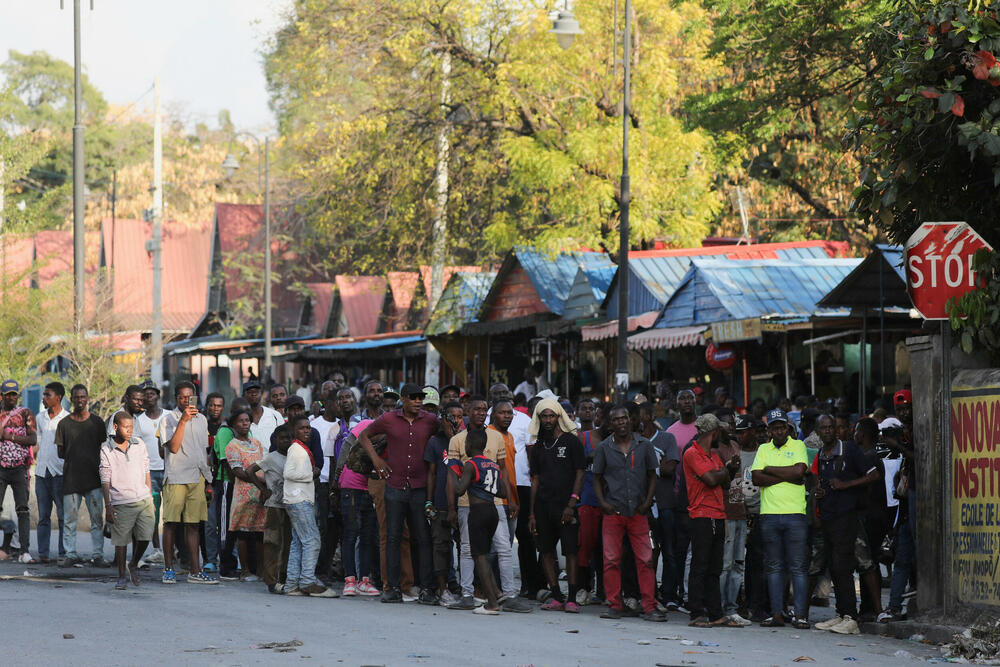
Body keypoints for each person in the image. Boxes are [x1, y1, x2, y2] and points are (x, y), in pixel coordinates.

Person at [358, 383, 439, 604]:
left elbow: (445, 436)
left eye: (420, 397)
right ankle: (392, 589)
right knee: (392, 538)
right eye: (413, 397)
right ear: (403, 399)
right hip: (394, 485)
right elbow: (363, 436)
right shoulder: (389, 419)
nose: (418, 401)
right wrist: (376, 460)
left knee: (422, 538)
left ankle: (427, 590)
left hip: (420, 487)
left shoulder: (430, 420)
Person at [447, 395, 527, 612]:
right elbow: (451, 475)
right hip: (466, 505)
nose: (481, 413)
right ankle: (467, 594)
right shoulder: (457, 439)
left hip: (494, 502)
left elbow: (503, 469)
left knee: (503, 548)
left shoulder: (496, 437)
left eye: (484, 409)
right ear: (468, 411)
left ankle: (509, 595)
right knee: (466, 549)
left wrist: (510, 499)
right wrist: (452, 507)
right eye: (477, 409)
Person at [593, 405, 666, 622]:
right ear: (610, 424)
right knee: (611, 560)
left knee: (645, 560)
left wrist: (646, 502)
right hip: (613, 512)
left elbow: (653, 475)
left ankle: (649, 606)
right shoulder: (604, 448)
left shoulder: (643, 445)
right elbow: (596, 477)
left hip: (638, 512)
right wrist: (603, 503)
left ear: (630, 421)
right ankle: (615, 605)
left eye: (624, 418)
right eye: (616, 419)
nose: (621, 422)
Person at [810, 415, 879, 635]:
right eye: (824, 428)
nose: (829, 431)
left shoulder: (849, 450)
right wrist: (820, 495)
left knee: (843, 566)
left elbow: (874, 475)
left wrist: (846, 484)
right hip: (829, 517)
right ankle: (841, 613)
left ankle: (851, 617)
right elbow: (821, 484)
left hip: (846, 516)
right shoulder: (821, 454)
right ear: (818, 432)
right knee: (834, 567)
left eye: (832, 427)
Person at [751, 409, 809, 628]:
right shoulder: (763, 448)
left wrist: (770, 470)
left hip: (795, 514)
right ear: (769, 430)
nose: (778, 431)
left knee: (798, 567)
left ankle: (800, 615)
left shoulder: (798, 445)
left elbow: (799, 473)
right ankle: (777, 614)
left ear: (789, 428)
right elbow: (756, 478)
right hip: (769, 515)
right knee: (774, 567)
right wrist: (789, 475)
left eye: (782, 427)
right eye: (774, 427)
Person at [683, 413, 742, 628]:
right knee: (700, 566)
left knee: (714, 568)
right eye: (721, 431)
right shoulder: (692, 453)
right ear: (714, 432)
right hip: (701, 516)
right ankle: (697, 613)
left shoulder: (713, 457)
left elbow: (724, 483)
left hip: (717, 515)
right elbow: (711, 479)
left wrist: (728, 469)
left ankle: (716, 613)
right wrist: (725, 470)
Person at [528, 398, 585, 612]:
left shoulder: (571, 441)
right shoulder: (538, 446)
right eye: (544, 416)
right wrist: (532, 513)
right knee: (546, 552)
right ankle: (556, 595)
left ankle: (571, 597)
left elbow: (580, 473)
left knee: (570, 551)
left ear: (559, 417)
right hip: (543, 506)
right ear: (539, 419)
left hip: (566, 506)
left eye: (552, 415)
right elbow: (535, 480)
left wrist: (572, 503)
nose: (548, 420)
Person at [487, 382, 542, 599]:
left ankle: (529, 586)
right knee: (498, 538)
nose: (502, 396)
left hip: (523, 484)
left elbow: (531, 450)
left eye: (505, 393)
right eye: (497, 394)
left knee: (525, 537)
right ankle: (495, 586)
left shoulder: (523, 419)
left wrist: (533, 477)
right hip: (495, 486)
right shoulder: (484, 418)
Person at [160, 381, 217, 585]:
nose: (186, 401)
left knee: (193, 525)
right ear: (176, 398)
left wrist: (207, 481)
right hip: (176, 476)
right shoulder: (168, 419)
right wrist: (182, 421)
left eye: (189, 397)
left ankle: (195, 570)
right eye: (182, 397)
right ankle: (168, 569)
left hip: (197, 477)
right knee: (171, 524)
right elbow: (173, 448)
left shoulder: (201, 419)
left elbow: (204, 452)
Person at [450, 429, 507, 615]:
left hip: (478, 512)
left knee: (479, 556)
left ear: (469, 445)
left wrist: (451, 470)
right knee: (484, 554)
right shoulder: (493, 465)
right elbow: (503, 492)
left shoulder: (470, 464)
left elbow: (459, 490)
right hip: (493, 511)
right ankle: (496, 594)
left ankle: (491, 603)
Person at [283, 415, 337, 597]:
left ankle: (291, 584)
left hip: (297, 499)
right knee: (312, 540)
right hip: (299, 500)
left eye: (308, 427)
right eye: (302, 428)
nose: (307, 431)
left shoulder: (301, 449)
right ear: (294, 431)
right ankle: (307, 581)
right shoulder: (296, 449)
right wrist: (310, 474)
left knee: (298, 542)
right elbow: (288, 473)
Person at [100, 411, 154, 590]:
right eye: (126, 427)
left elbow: (147, 471)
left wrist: (150, 497)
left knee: (146, 536)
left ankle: (134, 563)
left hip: (143, 498)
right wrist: (108, 506)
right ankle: (122, 575)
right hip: (120, 501)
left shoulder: (139, 445)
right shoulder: (106, 448)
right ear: (115, 427)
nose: (130, 431)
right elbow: (105, 479)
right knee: (121, 541)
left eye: (131, 427)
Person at [56, 384, 107, 568]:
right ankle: (70, 553)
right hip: (71, 480)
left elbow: (104, 449)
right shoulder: (64, 424)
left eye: (83, 397)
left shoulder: (97, 423)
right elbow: (61, 452)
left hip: (94, 479)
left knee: (97, 520)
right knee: (70, 520)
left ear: (87, 398)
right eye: (76, 397)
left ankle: (98, 555)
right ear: (71, 399)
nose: (80, 400)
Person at [880, 389, 917, 623]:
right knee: (902, 557)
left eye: (907, 408)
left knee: (911, 555)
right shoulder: (905, 433)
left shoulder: (917, 431)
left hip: (917, 500)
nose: (904, 413)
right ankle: (894, 606)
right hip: (905, 504)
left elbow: (919, 457)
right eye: (900, 409)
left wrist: (899, 446)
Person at [640, 401, 681, 610]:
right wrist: (657, 464)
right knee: (648, 552)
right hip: (641, 505)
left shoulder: (667, 438)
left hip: (665, 503)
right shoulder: (633, 441)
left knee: (669, 551)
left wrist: (646, 468)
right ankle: (649, 593)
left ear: (647, 416)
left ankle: (669, 594)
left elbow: (669, 468)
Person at [425, 401, 464, 606]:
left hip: (463, 503)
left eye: (459, 417)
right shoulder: (435, 442)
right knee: (440, 546)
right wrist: (429, 501)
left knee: (464, 547)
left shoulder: (466, 441)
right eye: (451, 417)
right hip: (440, 502)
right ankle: (443, 590)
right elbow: (431, 474)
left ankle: (466, 588)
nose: (455, 421)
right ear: (443, 418)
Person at [715, 411, 751, 626]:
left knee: (738, 564)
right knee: (725, 565)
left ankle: (732, 609)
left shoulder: (735, 446)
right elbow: (718, 480)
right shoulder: (715, 450)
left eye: (732, 424)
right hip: (725, 513)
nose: (731, 428)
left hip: (739, 511)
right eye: (727, 424)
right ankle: (720, 608)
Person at [338, 420, 380, 597]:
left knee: (367, 536)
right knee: (350, 533)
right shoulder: (366, 424)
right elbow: (346, 448)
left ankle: (364, 581)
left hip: (369, 488)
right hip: (351, 486)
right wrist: (336, 477)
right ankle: (350, 581)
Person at [225, 408, 267, 582]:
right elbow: (239, 472)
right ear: (234, 424)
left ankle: (261, 570)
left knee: (259, 533)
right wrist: (261, 481)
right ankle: (245, 571)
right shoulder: (232, 446)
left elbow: (263, 465)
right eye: (241, 421)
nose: (244, 424)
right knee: (242, 533)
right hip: (243, 495)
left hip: (260, 495)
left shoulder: (257, 444)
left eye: (247, 421)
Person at [249, 423, 292, 594]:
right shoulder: (270, 457)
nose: (286, 441)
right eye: (282, 438)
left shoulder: (293, 456)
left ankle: (283, 577)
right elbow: (251, 470)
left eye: (288, 438)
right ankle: (271, 580)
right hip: (274, 505)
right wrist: (262, 489)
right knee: (272, 542)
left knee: (287, 542)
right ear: (275, 440)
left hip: (289, 504)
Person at [665, 389, 698, 608]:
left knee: (695, 552)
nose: (686, 402)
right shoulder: (670, 432)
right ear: (676, 404)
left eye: (690, 399)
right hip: (678, 497)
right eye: (682, 399)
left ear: (696, 403)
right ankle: (675, 592)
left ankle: (692, 593)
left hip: (700, 498)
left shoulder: (703, 428)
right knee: (678, 549)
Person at [733, 414, 766, 622]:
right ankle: (737, 603)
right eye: (737, 432)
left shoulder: (763, 452)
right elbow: (734, 484)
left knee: (757, 562)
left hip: (761, 513)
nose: (740, 436)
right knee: (735, 562)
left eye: (743, 431)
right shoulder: (735, 452)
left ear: (753, 431)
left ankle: (757, 605)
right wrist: (741, 511)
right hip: (739, 514)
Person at [0, 380, 37, 561]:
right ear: (2, 396)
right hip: (1, 467)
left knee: (22, 509)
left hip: (19, 467)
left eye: (14, 394)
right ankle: (5, 547)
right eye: (8, 394)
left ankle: (24, 551)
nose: (12, 397)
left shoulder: (25, 414)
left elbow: (33, 439)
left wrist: (11, 436)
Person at [576, 398, 604, 606]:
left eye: (590, 409)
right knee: (585, 546)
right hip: (586, 498)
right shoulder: (578, 438)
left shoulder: (606, 437)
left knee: (605, 549)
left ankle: (603, 591)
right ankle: (583, 588)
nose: (587, 412)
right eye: (583, 408)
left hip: (606, 499)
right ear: (577, 412)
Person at [35, 382, 68, 563]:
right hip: (42, 472)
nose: (44, 398)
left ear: (58, 397)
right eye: (44, 394)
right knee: (43, 517)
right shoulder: (40, 418)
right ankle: (43, 554)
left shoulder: (67, 419)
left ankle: (63, 553)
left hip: (60, 473)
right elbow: (38, 442)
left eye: (48, 395)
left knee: (63, 516)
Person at [135, 380, 165, 564]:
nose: (149, 397)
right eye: (145, 394)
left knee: (172, 513)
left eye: (152, 393)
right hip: (149, 472)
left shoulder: (168, 416)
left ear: (158, 396)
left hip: (169, 469)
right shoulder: (139, 420)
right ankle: (157, 549)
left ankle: (174, 549)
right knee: (152, 513)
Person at [202, 392, 226, 572]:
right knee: (209, 523)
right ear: (207, 405)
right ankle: (210, 559)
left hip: (223, 479)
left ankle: (226, 558)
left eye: (218, 406)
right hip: (204, 480)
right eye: (212, 405)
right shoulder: (201, 424)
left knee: (224, 523)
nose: (215, 408)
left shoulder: (227, 427)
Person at [244, 380, 283, 449]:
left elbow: (283, 437)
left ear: (261, 394)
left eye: (256, 391)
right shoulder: (242, 419)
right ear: (244, 395)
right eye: (250, 392)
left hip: (273, 458)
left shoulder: (275, 415)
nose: (253, 394)